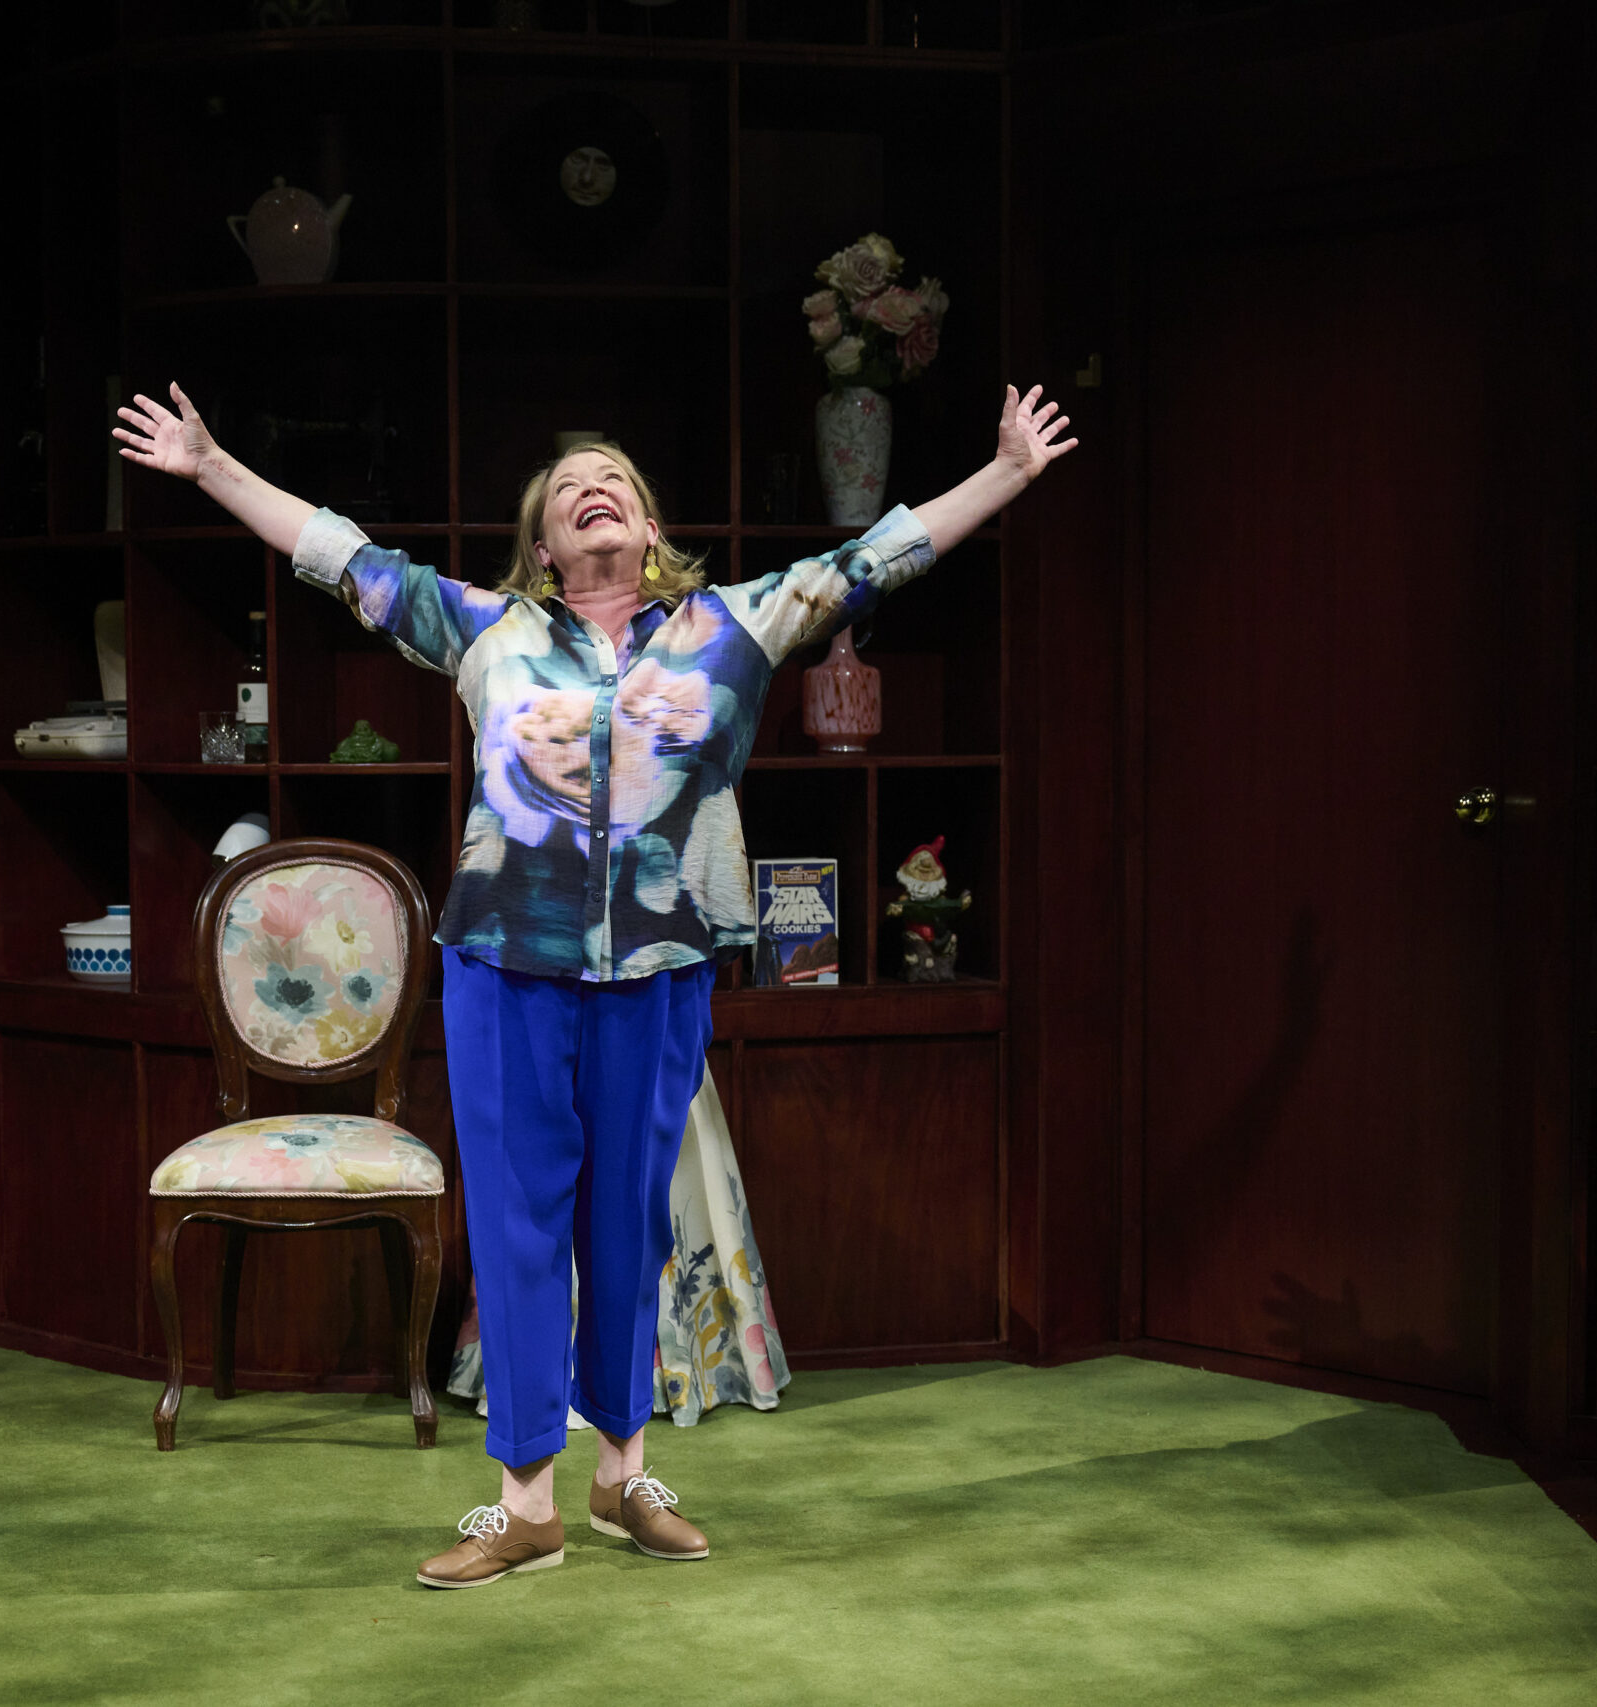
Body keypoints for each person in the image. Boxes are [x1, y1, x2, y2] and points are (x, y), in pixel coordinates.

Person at [116, 379, 1074, 1589]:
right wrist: (209, 467)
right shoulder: (484, 630)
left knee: (625, 1227)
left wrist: (1007, 473)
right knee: (519, 1229)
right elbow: (341, 558)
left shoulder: (731, 623)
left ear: (650, 523)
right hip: (505, 967)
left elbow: (872, 560)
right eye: (568, 493)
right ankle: (524, 1504)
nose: (592, 491)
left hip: (660, 970)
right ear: (543, 546)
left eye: (611, 480)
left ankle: (621, 1480)